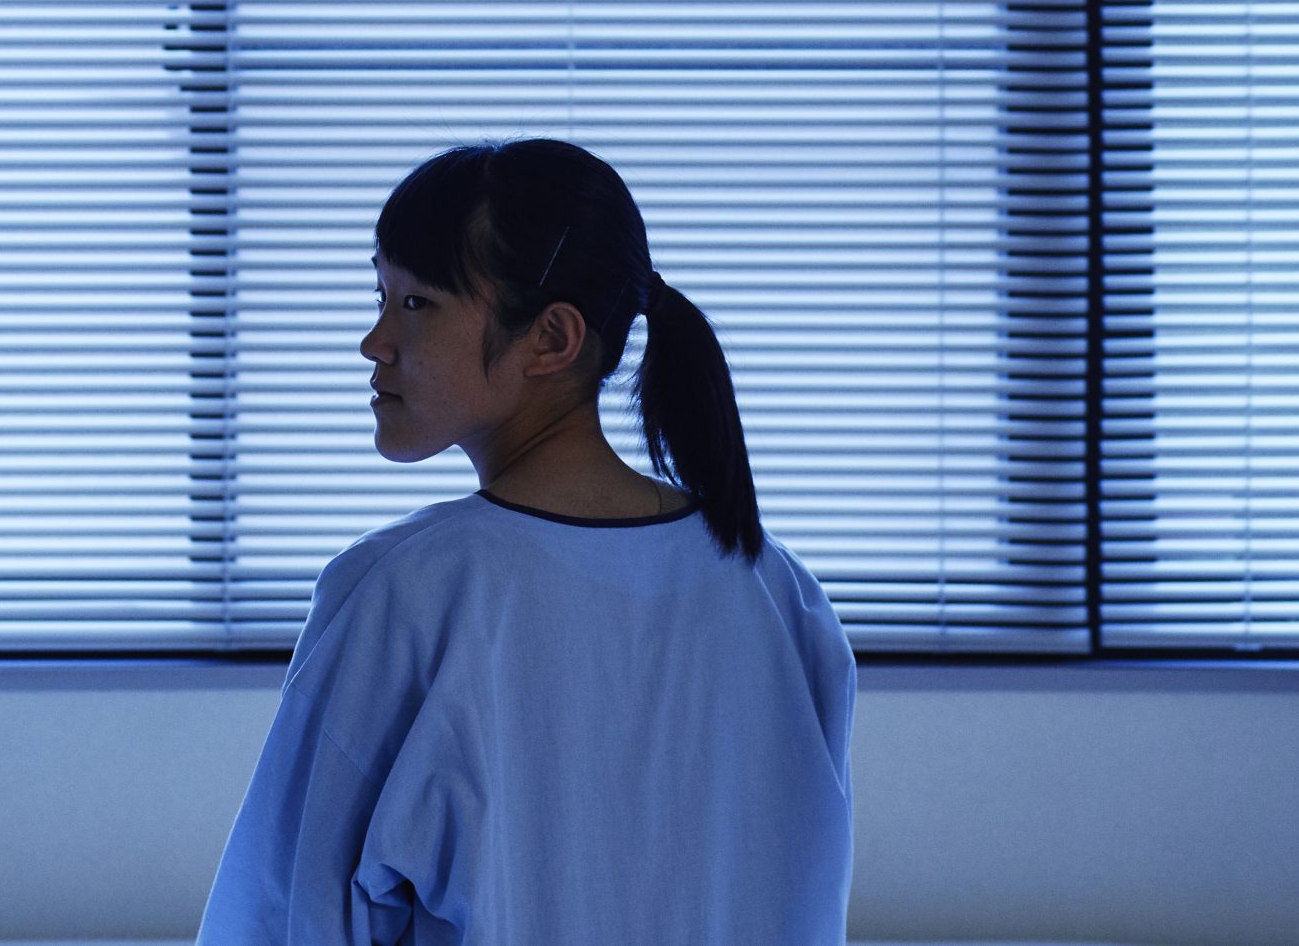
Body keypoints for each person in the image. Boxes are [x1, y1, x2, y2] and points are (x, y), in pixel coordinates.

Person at [192, 136, 856, 945]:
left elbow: (285, 917)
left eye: (417, 304)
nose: (375, 341)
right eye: (380, 295)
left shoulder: (408, 594)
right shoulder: (776, 593)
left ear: (551, 338)